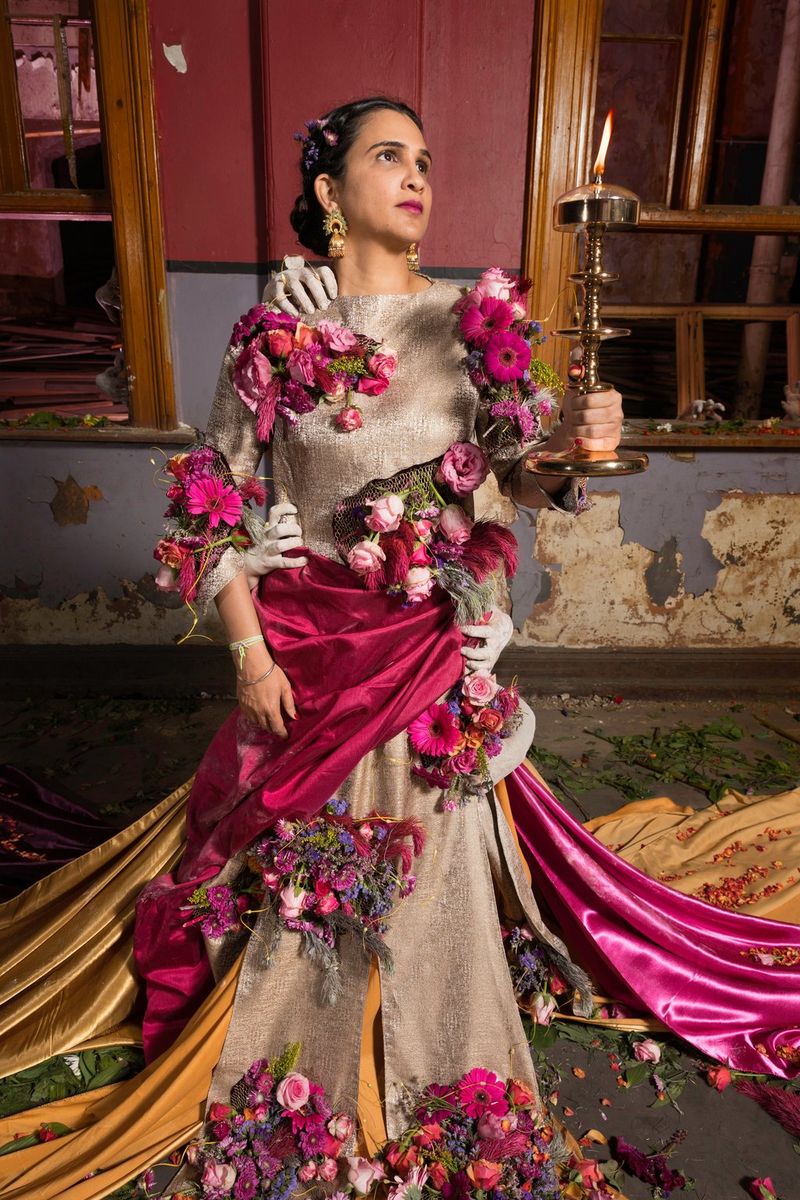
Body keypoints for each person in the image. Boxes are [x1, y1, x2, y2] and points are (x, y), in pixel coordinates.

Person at [4, 95, 799, 1200]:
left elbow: (517, 478)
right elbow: (211, 509)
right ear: (330, 193)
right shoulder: (274, 335)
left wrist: (579, 448)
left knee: (430, 883)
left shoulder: (472, 326)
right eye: (388, 157)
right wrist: (248, 657)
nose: (416, 176)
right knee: (292, 891)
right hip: (307, 661)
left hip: (427, 655)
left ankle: (439, 1043)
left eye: (423, 159)